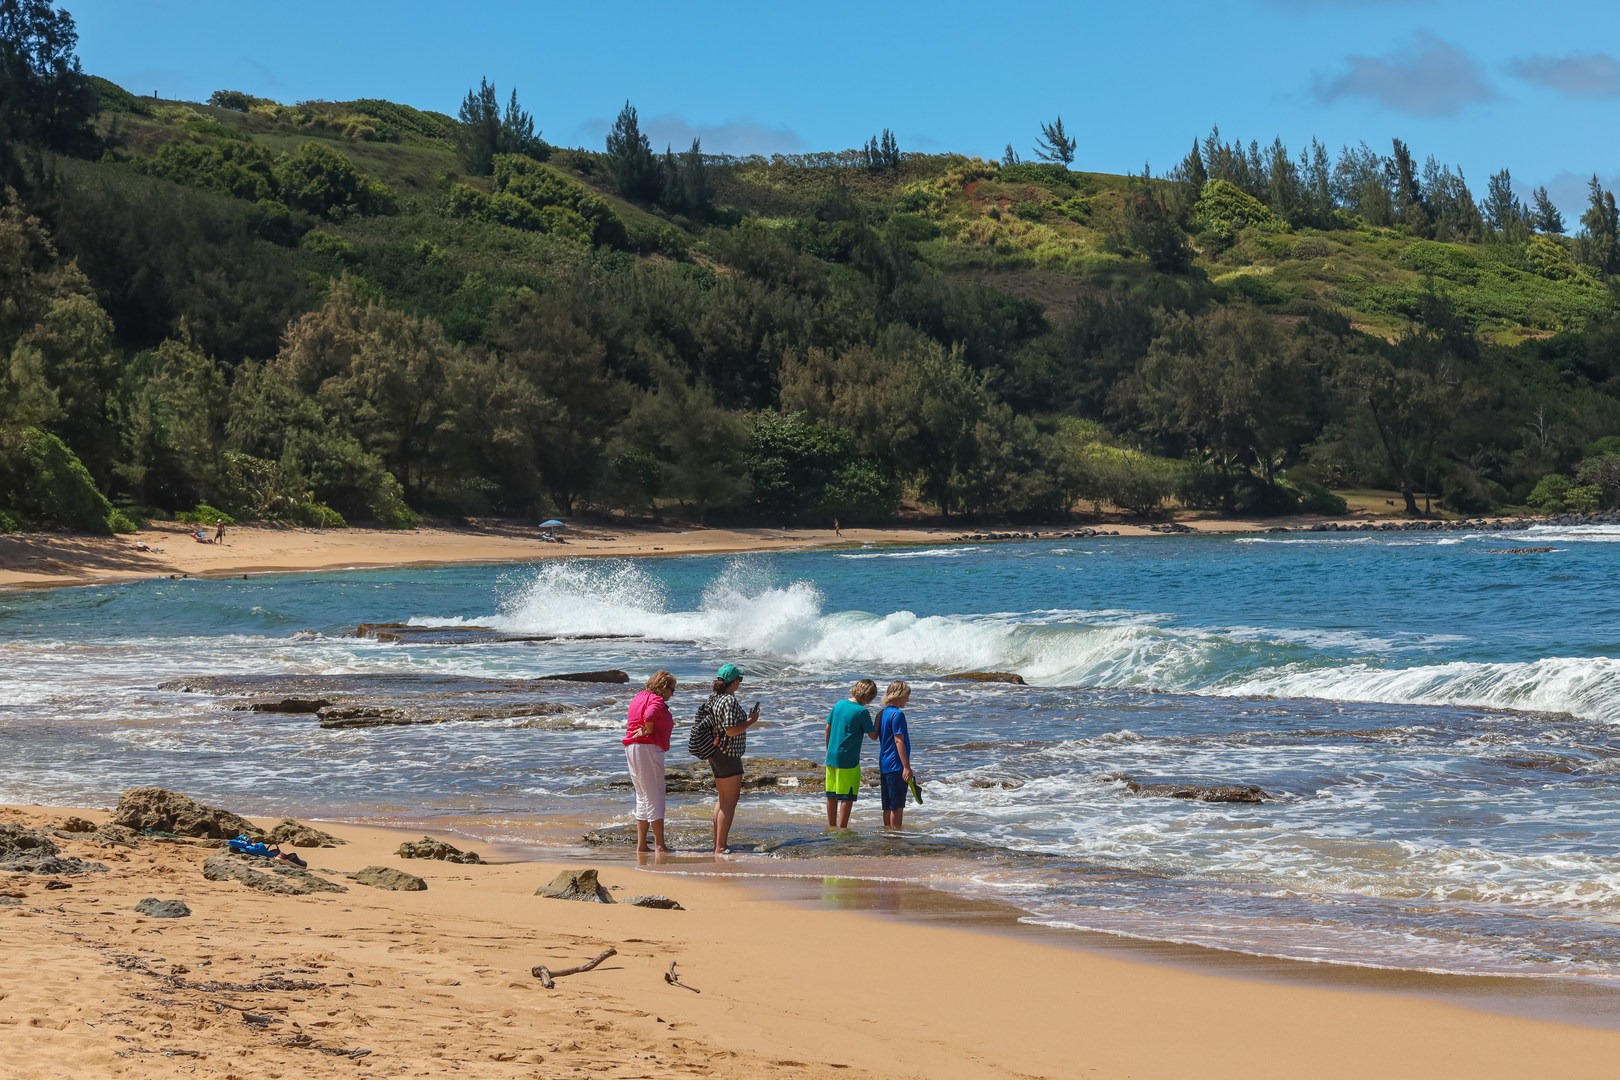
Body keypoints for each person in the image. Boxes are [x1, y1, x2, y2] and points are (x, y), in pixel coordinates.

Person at [701, 662, 760, 854]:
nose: (740, 683)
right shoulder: (729, 700)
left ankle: (718, 844)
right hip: (728, 753)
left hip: (715, 751)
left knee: (722, 799)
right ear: (732, 682)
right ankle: (720, 846)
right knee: (729, 802)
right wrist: (750, 721)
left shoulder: (714, 698)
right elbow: (731, 730)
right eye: (739, 679)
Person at [622, 670, 677, 853]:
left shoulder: (638, 697)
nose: (672, 694)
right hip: (648, 748)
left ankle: (642, 844)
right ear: (664, 687)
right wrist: (649, 729)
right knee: (655, 796)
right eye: (672, 690)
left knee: (642, 796)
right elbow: (650, 715)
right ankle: (660, 844)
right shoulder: (656, 700)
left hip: (632, 747)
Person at [824, 678, 878, 829]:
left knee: (831, 794)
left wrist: (829, 749)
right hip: (848, 758)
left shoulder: (839, 704)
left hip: (831, 755)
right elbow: (873, 735)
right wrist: (879, 719)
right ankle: (842, 829)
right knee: (847, 796)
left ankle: (831, 827)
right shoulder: (862, 711)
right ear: (869, 696)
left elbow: (828, 727)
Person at [878, 680, 915, 828]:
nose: (908, 700)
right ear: (899, 695)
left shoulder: (882, 713)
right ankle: (895, 835)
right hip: (896, 765)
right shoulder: (898, 714)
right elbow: (899, 741)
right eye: (906, 696)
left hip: (884, 764)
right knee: (897, 806)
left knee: (887, 805)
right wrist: (906, 767)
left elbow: (873, 735)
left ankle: (888, 833)